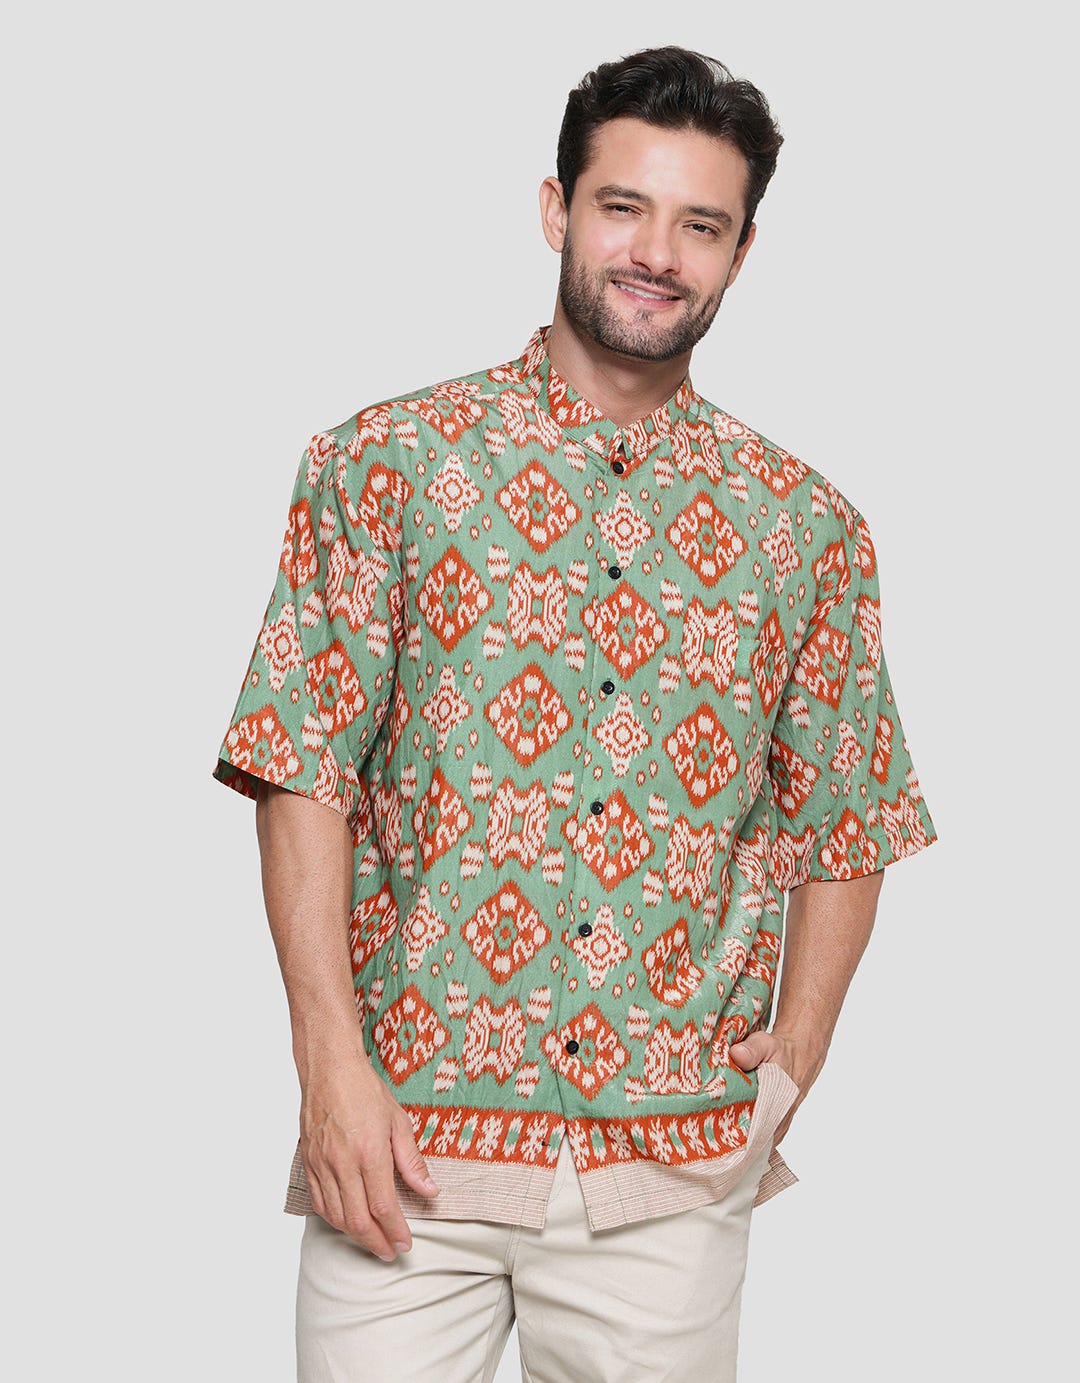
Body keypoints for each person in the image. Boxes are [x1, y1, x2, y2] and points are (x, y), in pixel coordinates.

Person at [214, 45, 937, 1382]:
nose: (656, 253)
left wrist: (792, 1062)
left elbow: (851, 812)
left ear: (741, 252)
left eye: (700, 225)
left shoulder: (807, 528)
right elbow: (301, 763)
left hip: (670, 1167)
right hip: (401, 1145)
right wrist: (327, 1064)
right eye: (623, 207)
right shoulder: (384, 466)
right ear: (557, 209)